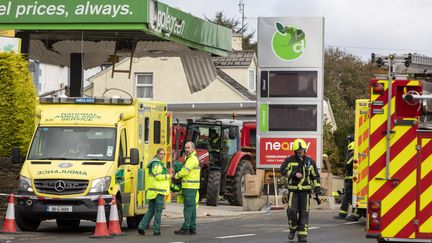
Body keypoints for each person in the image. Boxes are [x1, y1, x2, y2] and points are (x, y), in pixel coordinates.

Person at [280, 138, 321, 242]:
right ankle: (293, 229)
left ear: (305, 150)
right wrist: (293, 174)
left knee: (304, 212)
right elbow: (282, 170)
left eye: (302, 151)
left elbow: (315, 176)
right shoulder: (289, 160)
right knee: (291, 211)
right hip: (293, 191)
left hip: (305, 192)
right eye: (298, 151)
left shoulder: (310, 162)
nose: (300, 153)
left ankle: (302, 234)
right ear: (295, 151)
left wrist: (317, 188)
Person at [137, 148, 170, 236]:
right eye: (161, 154)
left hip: (152, 191)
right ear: (157, 154)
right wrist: (168, 175)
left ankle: (141, 226)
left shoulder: (153, 163)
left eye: (163, 154)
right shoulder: (157, 164)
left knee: (151, 210)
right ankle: (156, 230)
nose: (162, 156)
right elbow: (158, 176)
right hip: (158, 192)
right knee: (158, 211)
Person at [174, 141, 200, 235]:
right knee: (192, 208)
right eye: (185, 148)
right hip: (192, 187)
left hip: (189, 187)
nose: (186, 149)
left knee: (188, 208)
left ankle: (185, 228)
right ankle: (192, 228)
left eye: (188, 148)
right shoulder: (191, 158)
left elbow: (185, 171)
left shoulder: (192, 159)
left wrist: (176, 175)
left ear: (193, 149)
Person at [334, 142, 365, 221]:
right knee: (352, 197)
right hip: (354, 180)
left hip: (351, 180)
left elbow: (347, 164)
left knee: (350, 197)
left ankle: (351, 214)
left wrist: (344, 163)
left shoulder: (353, 153)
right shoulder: (358, 154)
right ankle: (351, 214)